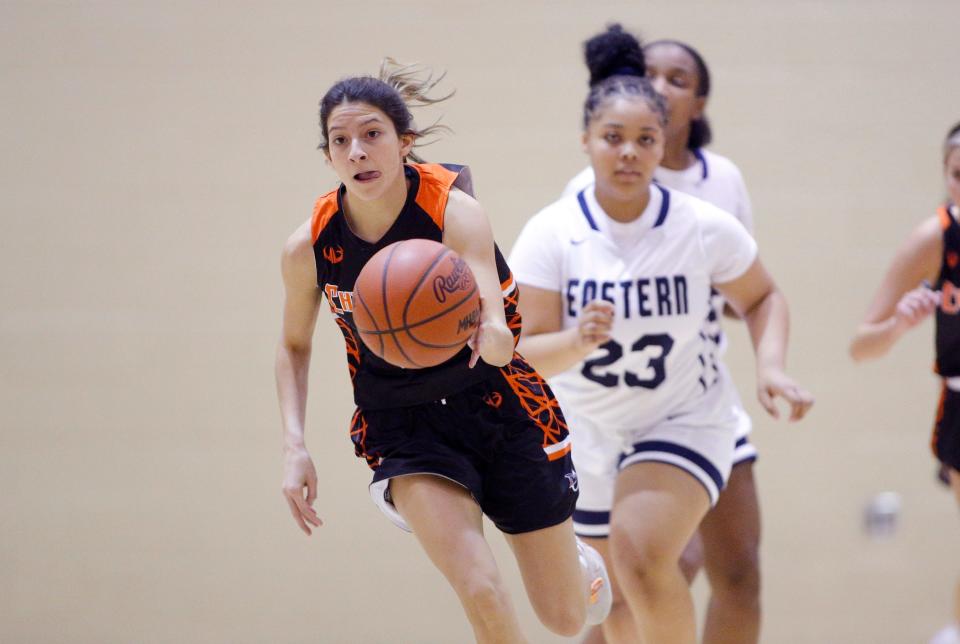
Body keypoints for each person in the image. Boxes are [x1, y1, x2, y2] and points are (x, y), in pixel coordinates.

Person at [275, 59, 611, 643]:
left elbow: (487, 301)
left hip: (499, 404)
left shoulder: (453, 209)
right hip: (404, 426)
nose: (356, 151)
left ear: (405, 143)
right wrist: (295, 445)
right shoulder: (310, 245)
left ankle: (574, 559)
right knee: (479, 587)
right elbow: (293, 344)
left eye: (372, 135)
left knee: (565, 619)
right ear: (328, 154)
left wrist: (496, 332)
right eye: (340, 140)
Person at [508, 25, 813, 644]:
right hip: (589, 424)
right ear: (586, 142)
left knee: (644, 555)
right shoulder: (552, 230)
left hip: (682, 414)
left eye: (643, 139)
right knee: (609, 599)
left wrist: (772, 366)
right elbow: (525, 354)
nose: (627, 152)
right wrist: (576, 342)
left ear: (662, 142)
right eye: (613, 138)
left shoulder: (703, 223)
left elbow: (762, 296)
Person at [563, 30, 764, 644]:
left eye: (680, 78)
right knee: (630, 574)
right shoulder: (584, 199)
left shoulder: (718, 182)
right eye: (650, 73)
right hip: (610, 409)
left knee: (739, 571)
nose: (660, 86)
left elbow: (748, 296)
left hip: (697, 397)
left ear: (698, 103)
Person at [850, 121, 960, 644]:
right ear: (946, 176)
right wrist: (899, 325)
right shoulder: (936, 239)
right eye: (959, 175)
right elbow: (861, 343)